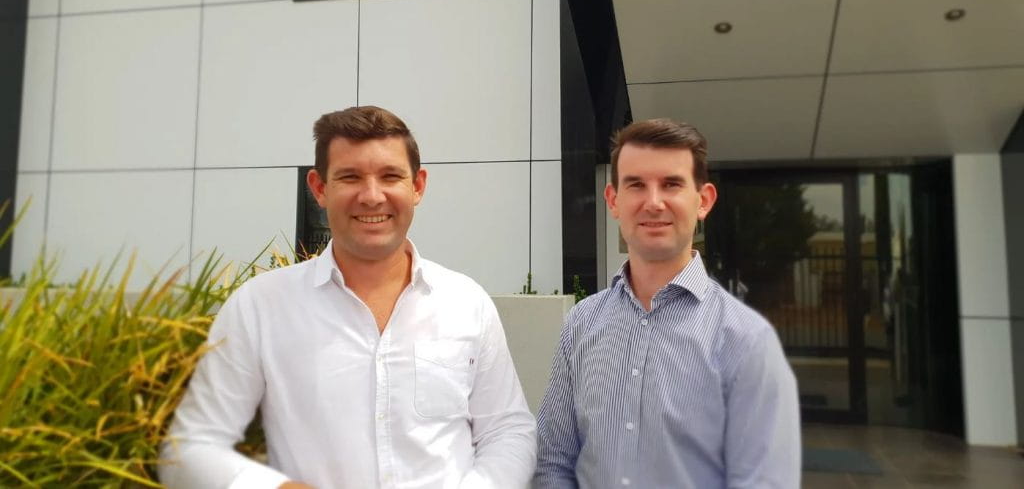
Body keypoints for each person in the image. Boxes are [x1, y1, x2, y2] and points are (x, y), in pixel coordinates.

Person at [160, 106, 536, 489]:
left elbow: (508, 431)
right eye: (350, 177)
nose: (372, 197)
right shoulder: (259, 307)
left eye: (390, 176)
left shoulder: (467, 303)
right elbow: (189, 449)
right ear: (319, 188)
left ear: (417, 185)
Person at [533, 119, 800, 488]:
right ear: (613, 201)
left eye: (671, 184)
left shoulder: (747, 341)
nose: (653, 202)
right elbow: (553, 461)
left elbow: (764, 481)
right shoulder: (582, 323)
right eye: (636, 185)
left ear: (703, 200)